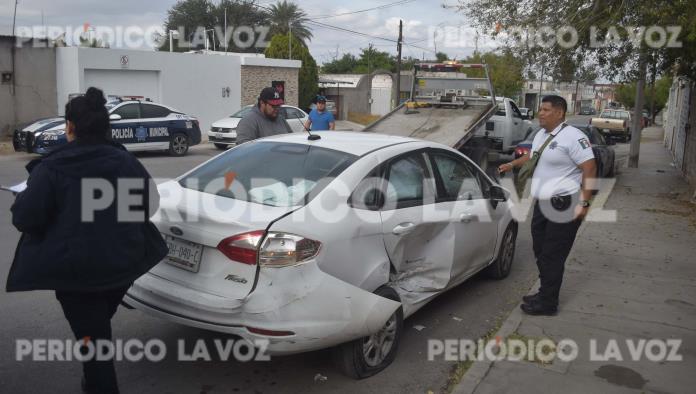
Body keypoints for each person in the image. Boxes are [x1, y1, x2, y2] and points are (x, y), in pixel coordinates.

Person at [6, 87, 168, 394]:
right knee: (95, 334)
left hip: (77, 276)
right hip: (120, 268)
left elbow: (25, 219)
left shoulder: (52, 167)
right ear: (106, 127)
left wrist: (27, 198)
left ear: (70, 127)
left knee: (96, 350)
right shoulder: (125, 161)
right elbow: (149, 205)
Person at [498, 95, 596, 316]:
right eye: (540, 109)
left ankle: (548, 303)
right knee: (540, 250)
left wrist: (585, 203)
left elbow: (590, 169)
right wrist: (511, 163)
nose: (540, 113)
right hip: (542, 204)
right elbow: (533, 157)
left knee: (553, 254)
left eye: (545, 110)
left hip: (565, 204)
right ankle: (544, 292)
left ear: (559, 113)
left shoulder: (574, 137)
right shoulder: (541, 135)